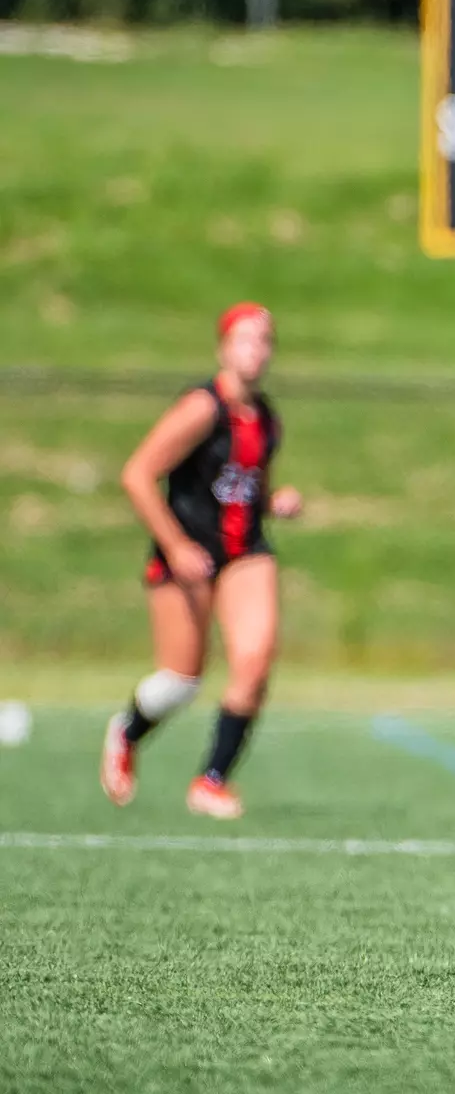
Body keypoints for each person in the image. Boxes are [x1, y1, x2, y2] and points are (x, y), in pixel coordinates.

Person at [99, 303, 301, 820]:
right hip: (186, 551)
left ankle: (211, 781)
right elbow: (137, 474)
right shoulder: (202, 408)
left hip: (243, 551)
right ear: (223, 348)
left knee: (254, 661)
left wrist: (275, 502)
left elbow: (249, 485)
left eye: (264, 340)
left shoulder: (267, 418)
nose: (256, 350)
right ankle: (128, 730)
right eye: (245, 339)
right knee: (181, 680)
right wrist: (174, 546)